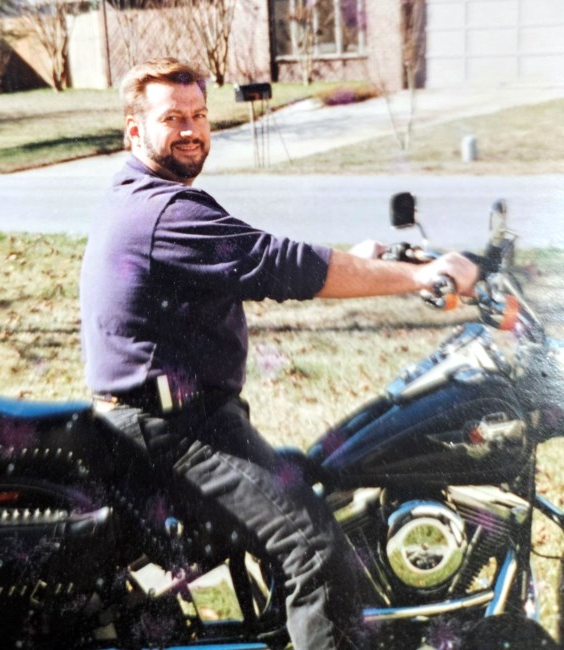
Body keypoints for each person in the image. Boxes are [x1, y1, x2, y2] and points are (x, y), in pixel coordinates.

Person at [79, 57, 478, 649]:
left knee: (318, 475)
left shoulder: (143, 196)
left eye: (199, 115)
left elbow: (250, 258)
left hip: (177, 416)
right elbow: (280, 264)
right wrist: (420, 277)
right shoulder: (165, 211)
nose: (191, 130)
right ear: (134, 131)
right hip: (173, 428)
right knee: (312, 548)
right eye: (172, 118)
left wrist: (362, 262)